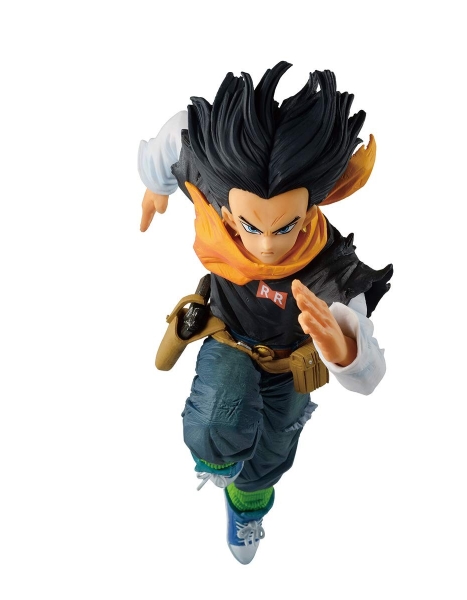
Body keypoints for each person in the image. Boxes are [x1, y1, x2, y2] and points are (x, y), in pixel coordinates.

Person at [138, 61, 392, 564]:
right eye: (252, 227)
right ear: (228, 212)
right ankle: (219, 464)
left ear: (310, 210)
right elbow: (180, 136)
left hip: (290, 364)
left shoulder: (328, 268)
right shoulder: (212, 198)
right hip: (230, 340)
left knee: (271, 453)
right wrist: (155, 185)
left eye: (286, 226)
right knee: (215, 422)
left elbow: (370, 373)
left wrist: (345, 348)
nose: (269, 246)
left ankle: (248, 505)